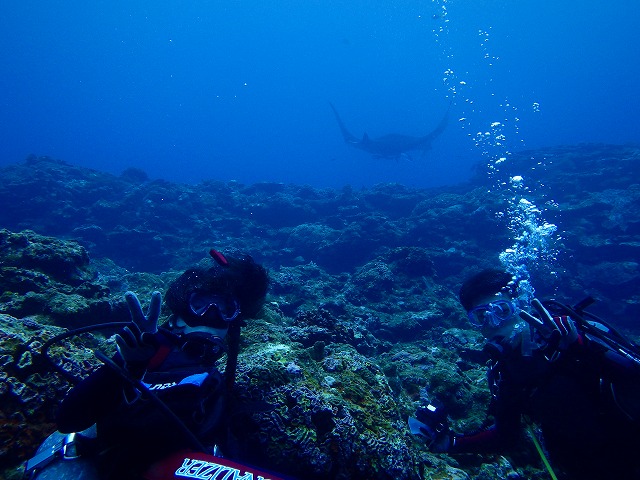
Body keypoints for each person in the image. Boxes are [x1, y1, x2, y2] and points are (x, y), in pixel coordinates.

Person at [48, 249, 269, 479]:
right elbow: (68, 419)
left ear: (233, 324)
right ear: (177, 317)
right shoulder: (149, 352)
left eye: (225, 309)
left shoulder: (216, 375)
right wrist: (127, 366)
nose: (210, 315)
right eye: (200, 304)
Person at [413, 269, 640, 480]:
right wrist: (450, 442)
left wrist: (580, 346)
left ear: (520, 305)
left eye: (502, 310)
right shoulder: (507, 373)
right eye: (482, 317)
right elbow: (506, 436)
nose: (494, 323)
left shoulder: (572, 333)